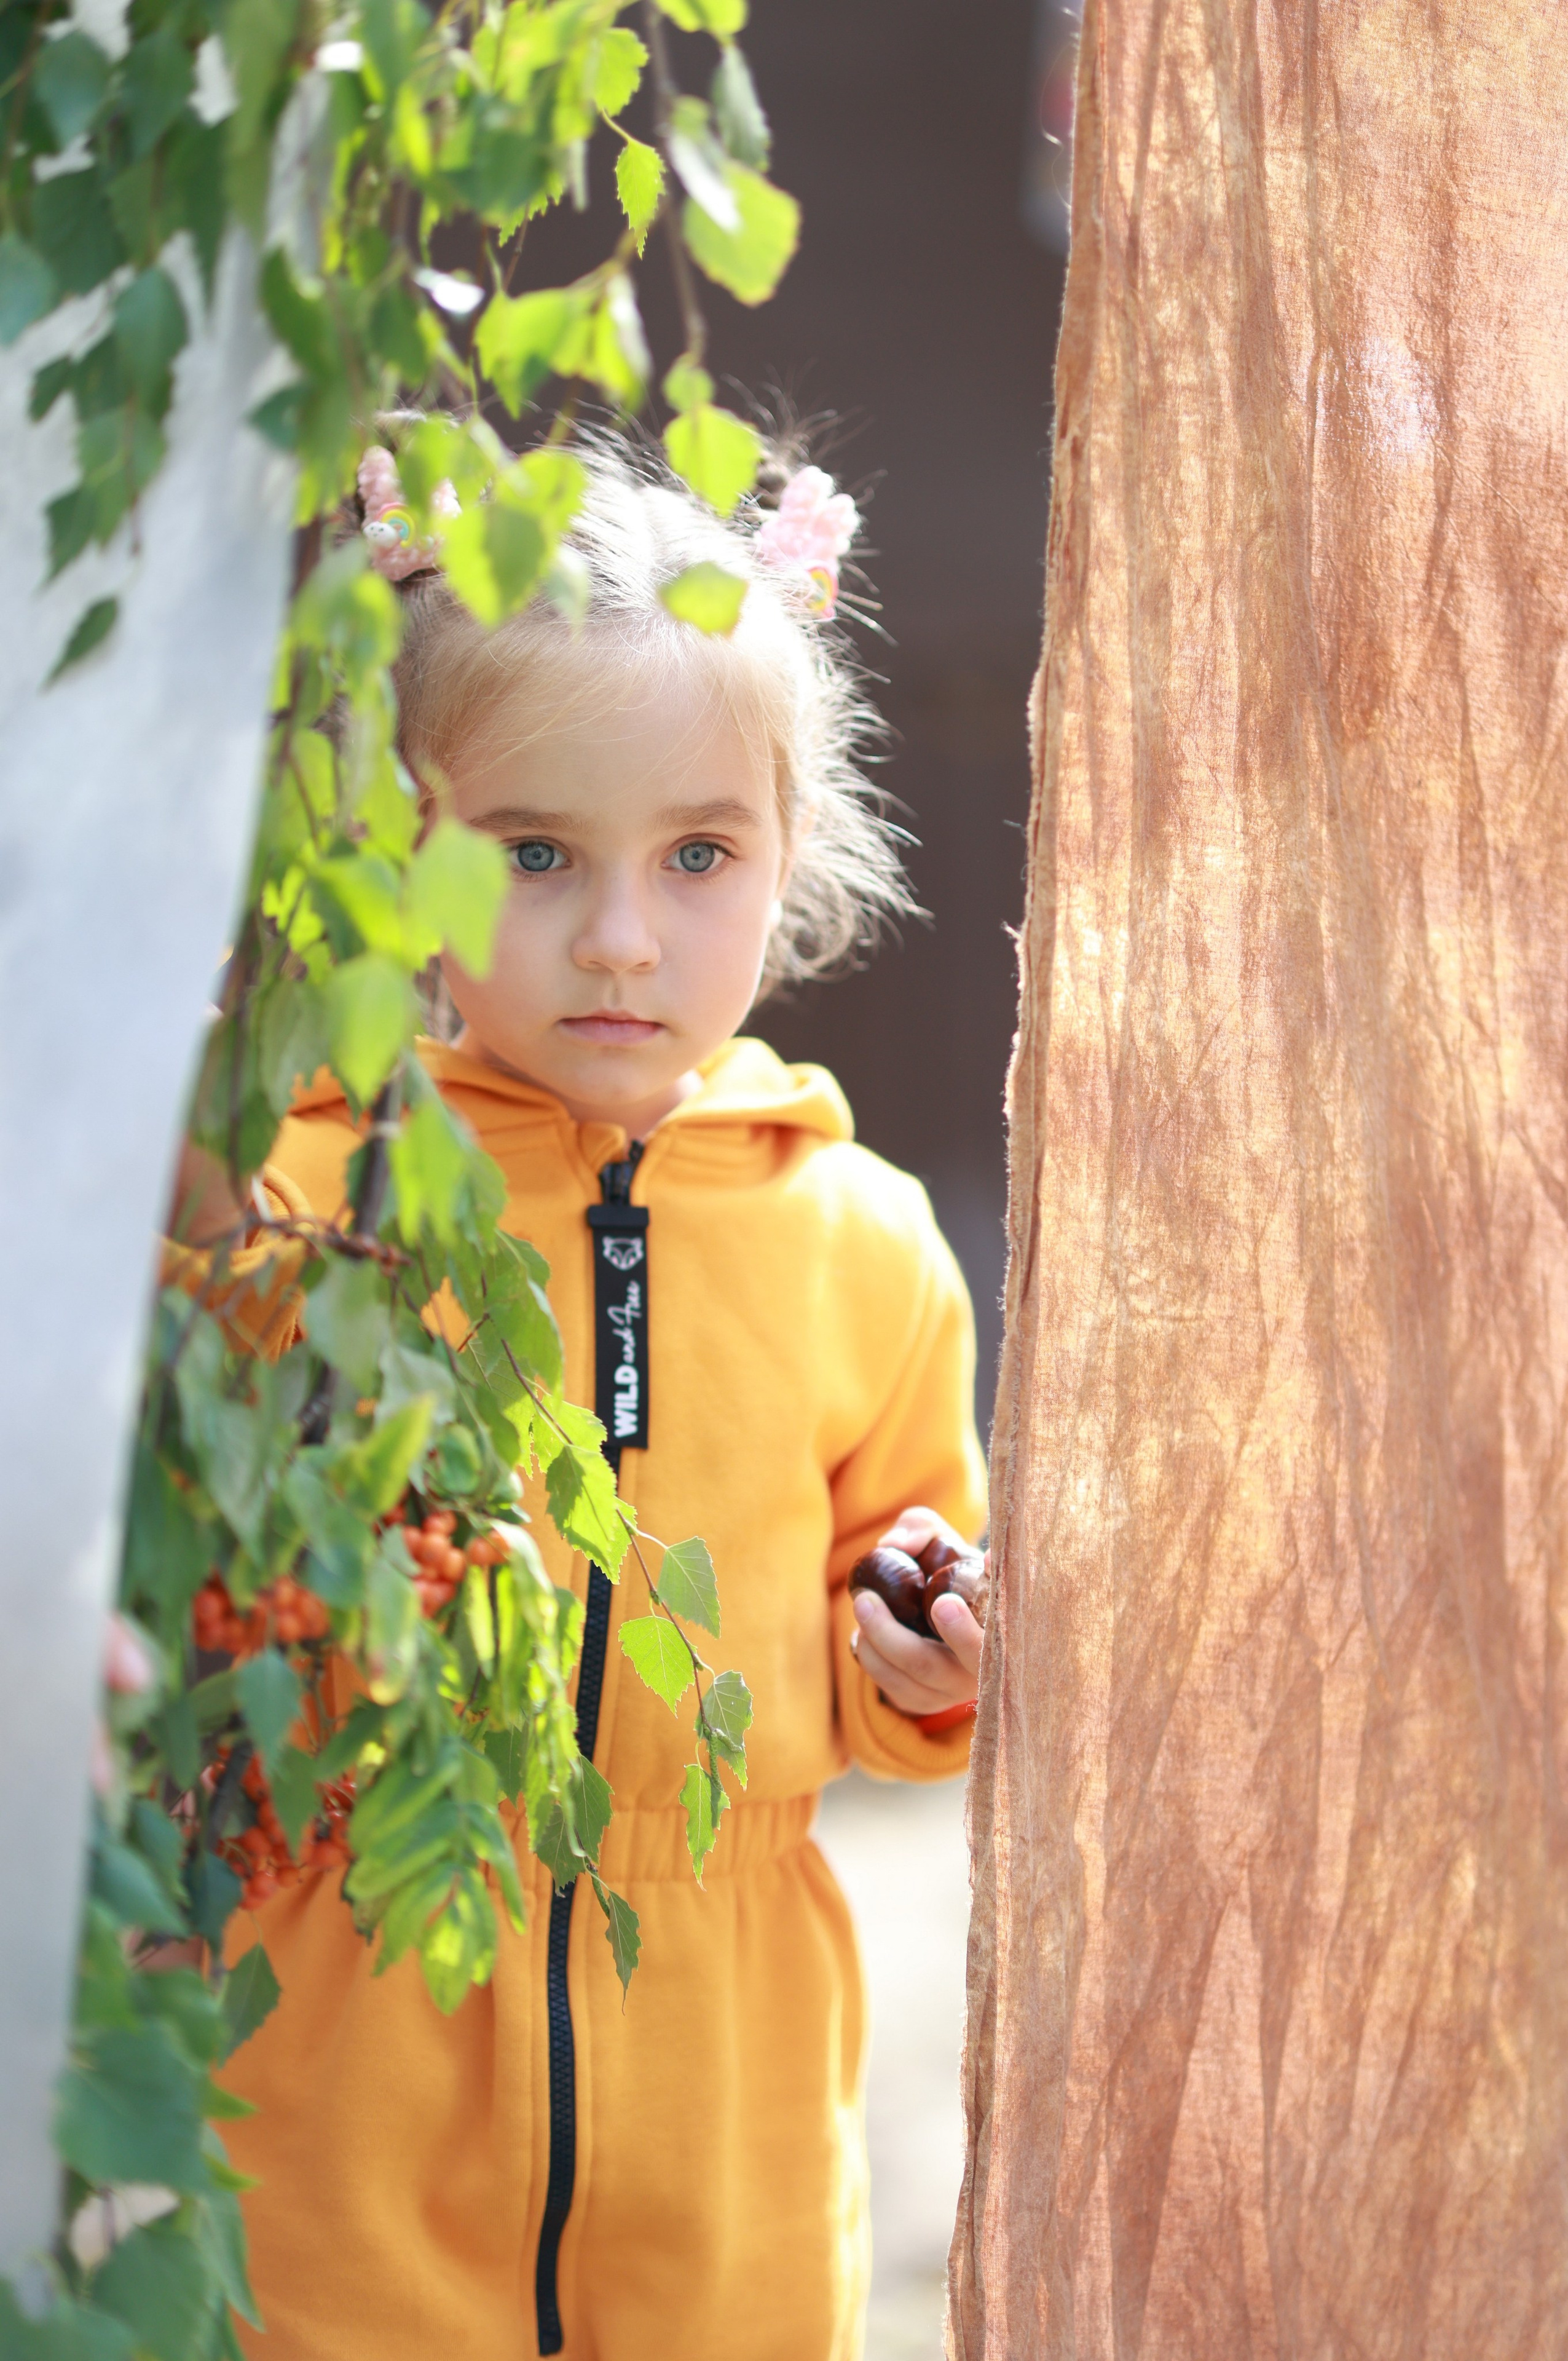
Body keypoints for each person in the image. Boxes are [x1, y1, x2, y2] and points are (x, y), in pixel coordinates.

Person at [173, 433, 988, 2361]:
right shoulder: (305, 1190)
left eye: (697, 856)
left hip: (732, 2069)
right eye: (534, 853)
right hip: (356, 2032)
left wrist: (923, 1650)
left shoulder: (863, 1238)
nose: (620, 936)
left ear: (789, 856)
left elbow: (896, 1654)